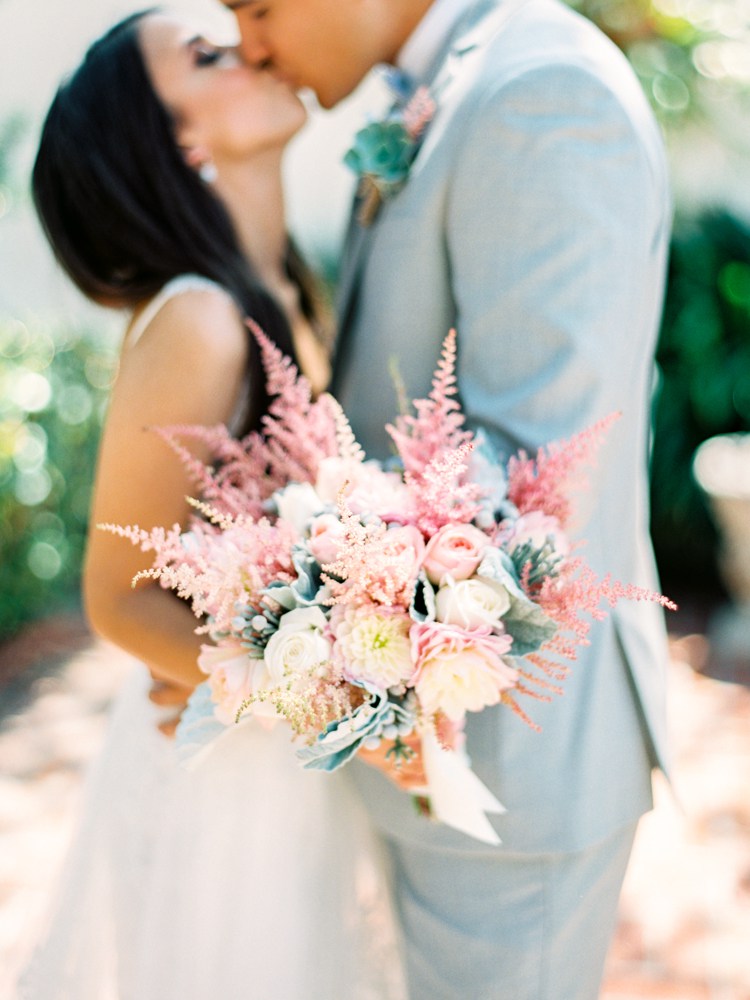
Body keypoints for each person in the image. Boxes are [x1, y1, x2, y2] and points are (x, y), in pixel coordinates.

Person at [223, 0, 673, 998]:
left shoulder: (538, 93)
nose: (252, 45)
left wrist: (289, 596)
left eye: (256, 8)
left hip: (508, 765)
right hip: (436, 758)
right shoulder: (459, 89)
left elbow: (532, 482)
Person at [18, 10, 405, 999]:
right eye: (209, 55)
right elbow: (116, 597)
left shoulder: (290, 285)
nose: (253, 45)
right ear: (177, 142)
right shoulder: (198, 318)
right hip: (220, 773)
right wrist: (326, 697)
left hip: (284, 761)